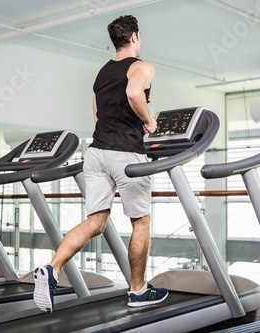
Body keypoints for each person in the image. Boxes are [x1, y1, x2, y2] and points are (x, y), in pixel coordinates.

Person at [33, 14, 168, 313]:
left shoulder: (102, 73)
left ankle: (53, 269)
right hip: (126, 152)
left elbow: (97, 115)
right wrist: (149, 122)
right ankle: (137, 291)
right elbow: (134, 92)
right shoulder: (141, 66)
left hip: (96, 152)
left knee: (96, 221)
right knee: (140, 220)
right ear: (134, 37)